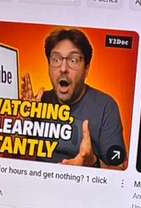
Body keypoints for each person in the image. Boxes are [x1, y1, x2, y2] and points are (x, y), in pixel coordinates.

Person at [21, 28, 126, 167]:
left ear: (86, 68)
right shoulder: (37, 103)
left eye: (73, 60)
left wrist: (92, 162)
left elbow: (119, 168)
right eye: (56, 59)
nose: (63, 68)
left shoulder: (106, 106)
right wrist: (23, 121)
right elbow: (11, 160)